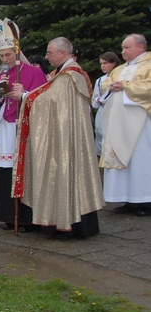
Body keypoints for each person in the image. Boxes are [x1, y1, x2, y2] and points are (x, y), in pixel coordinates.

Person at [13, 37, 103, 238]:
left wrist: (24, 96)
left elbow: (49, 100)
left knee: (64, 172)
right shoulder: (65, 74)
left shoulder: (69, 76)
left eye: (49, 53)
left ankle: (67, 223)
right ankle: (77, 223)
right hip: (69, 136)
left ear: (62, 53)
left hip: (66, 140)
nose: (47, 56)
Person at [0, 19, 48, 231]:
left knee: (25, 171)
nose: (5, 59)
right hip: (6, 130)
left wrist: (23, 96)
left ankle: (28, 218)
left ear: (17, 52)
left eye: (8, 55)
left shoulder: (33, 73)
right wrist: (0, 98)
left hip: (25, 129)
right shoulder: (3, 75)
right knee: (6, 172)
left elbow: (44, 101)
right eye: (1, 56)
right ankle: (9, 216)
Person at [101, 34, 151, 217]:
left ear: (140, 47)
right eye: (122, 48)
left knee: (141, 159)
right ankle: (127, 198)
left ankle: (145, 199)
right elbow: (106, 83)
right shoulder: (120, 69)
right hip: (119, 122)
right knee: (123, 158)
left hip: (141, 122)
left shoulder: (149, 65)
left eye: (127, 48)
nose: (123, 51)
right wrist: (112, 86)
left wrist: (126, 86)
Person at [91, 51, 121, 156]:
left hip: (116, 110)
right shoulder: (100, 80)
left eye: (105, 63)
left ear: (113, 63)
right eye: (101, 63)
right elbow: (95, 99)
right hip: (102, 111)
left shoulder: (120, 78)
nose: (102, 66)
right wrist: (98, 101)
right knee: (100, 133)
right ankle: (102, 157)